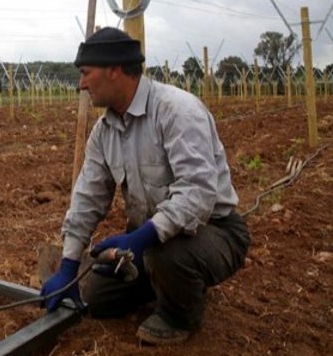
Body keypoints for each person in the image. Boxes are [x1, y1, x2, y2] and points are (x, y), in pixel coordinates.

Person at [41, 27, 250, 345]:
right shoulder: (104, 130)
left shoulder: (177, 110)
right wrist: (69, 264)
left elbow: (197, 193)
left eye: (86, 73)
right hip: (149, 241)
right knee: (95, 299)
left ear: (114, 70)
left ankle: (180, 316)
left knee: (168, 256)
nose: (81, 84)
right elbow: (88, 197)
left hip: (214, 231)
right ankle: (159, 279)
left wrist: (141, 239)